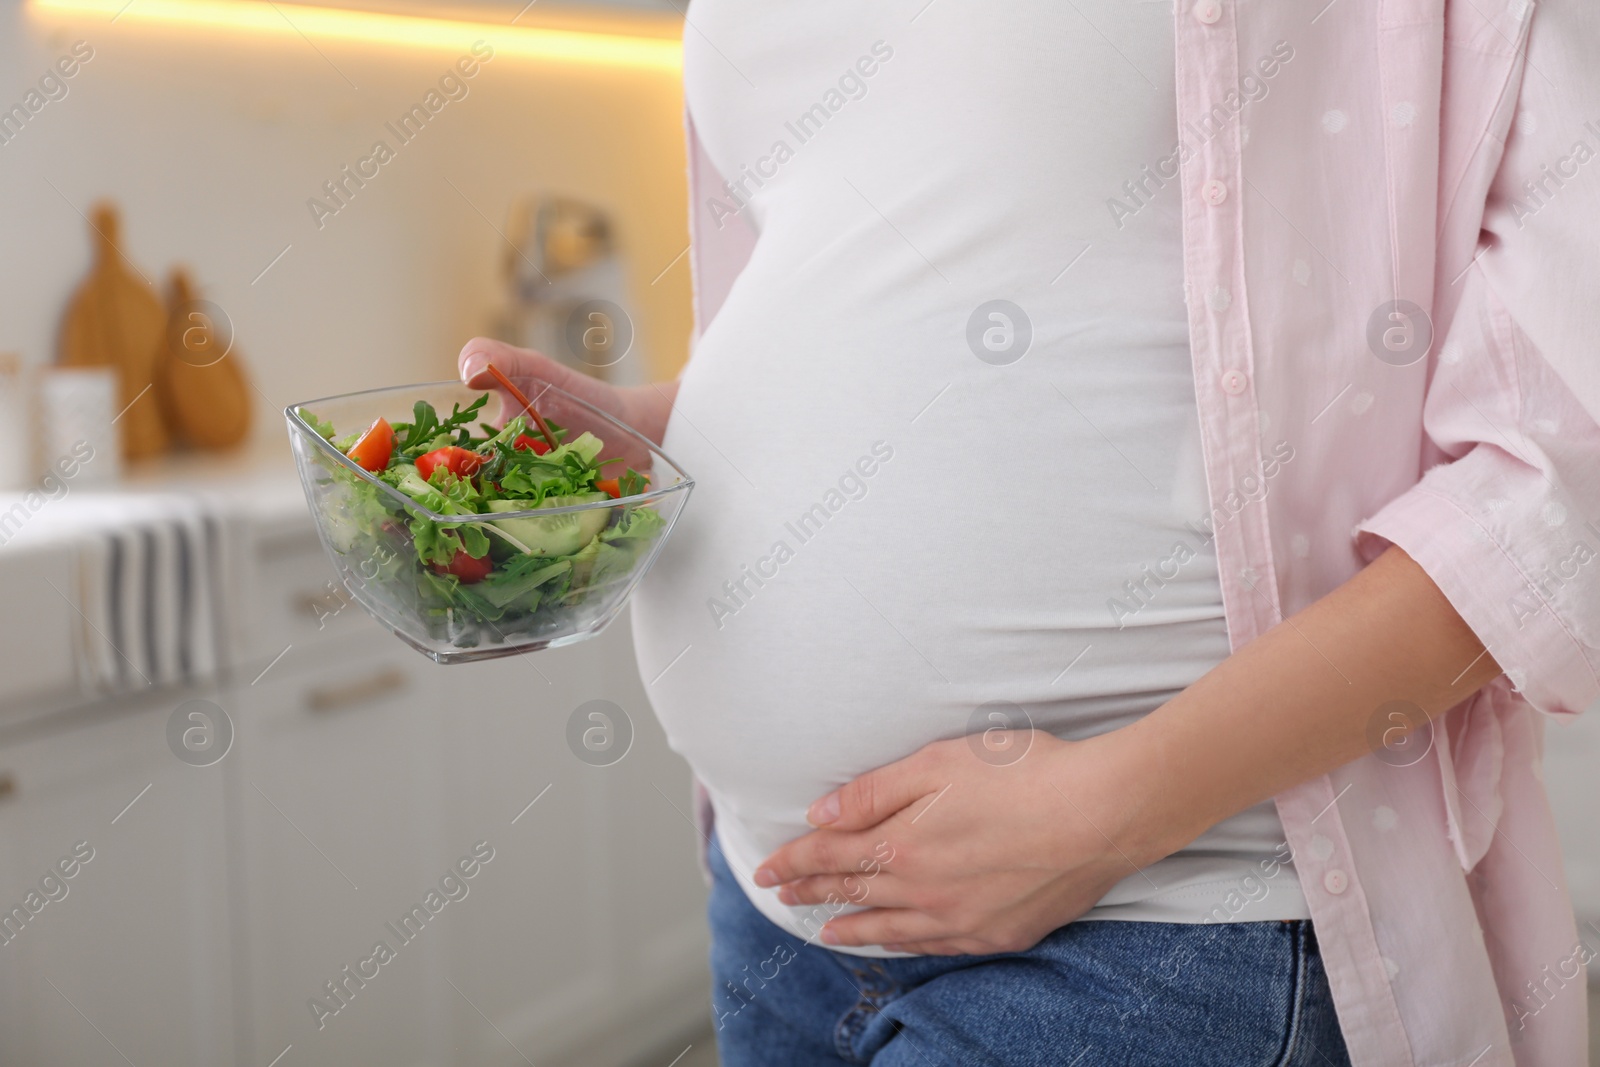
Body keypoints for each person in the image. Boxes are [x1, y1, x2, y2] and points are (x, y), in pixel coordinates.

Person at [460, 0, 1600, 1062]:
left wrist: (1108, 811)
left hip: (1157, 922)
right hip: (770, 899)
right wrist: (654, 434)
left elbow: (1558, 480)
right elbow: (869, 306)